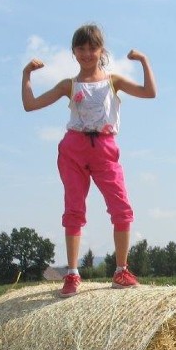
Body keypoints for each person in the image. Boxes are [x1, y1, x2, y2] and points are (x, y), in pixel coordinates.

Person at [21, 23, 157, 297]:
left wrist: (144, 60)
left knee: (121, 207)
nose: (86, 53)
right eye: (81, 48)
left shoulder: (113, 81)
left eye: (92, 48)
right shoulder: (68, 85)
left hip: (105, 148)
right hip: (74, 148)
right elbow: (30, 105)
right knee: (74, 209)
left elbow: (149, 92)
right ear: (73, 52)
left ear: (101, 50)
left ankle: (121, 270)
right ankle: (72, 274)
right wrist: (26, 75)